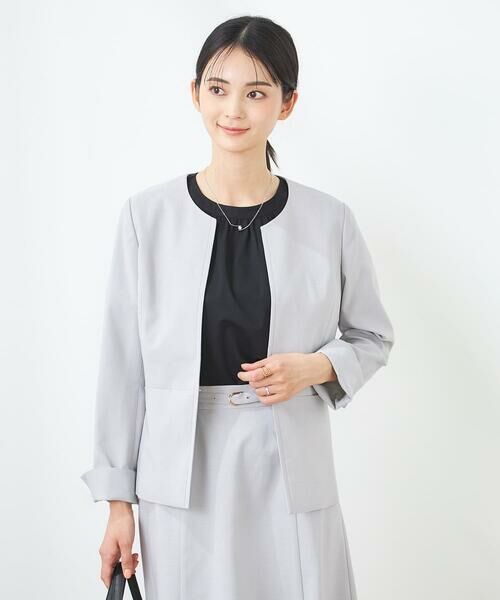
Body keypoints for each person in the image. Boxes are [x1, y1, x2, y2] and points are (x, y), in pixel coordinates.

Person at [81, 15, 395, 600]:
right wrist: (117, 505)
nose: (233, 110)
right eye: (219, 88)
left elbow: (371, 336)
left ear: (287, 103)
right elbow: (123, 367)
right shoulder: (147, 218)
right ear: (195, 93)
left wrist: (314, 367)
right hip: (181, 475)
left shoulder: (329, 220)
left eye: (256, 93)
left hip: (291, 467)